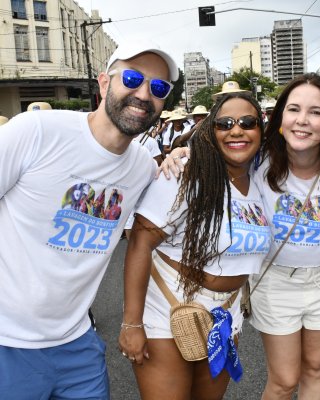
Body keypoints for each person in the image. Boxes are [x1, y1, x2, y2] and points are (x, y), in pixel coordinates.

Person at [0, 39, 178, 399]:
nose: (144, 93)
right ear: (103, 83)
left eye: (158, 87)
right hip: (7, 344)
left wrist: (182, 156)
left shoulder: (143, 168)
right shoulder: (34, 132)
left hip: (77, 344)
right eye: (132, 78)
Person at [163, 73, 320, 400]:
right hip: (276, 282)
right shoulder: (258, 160)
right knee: (284, 380)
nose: (303, 121)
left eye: (316, 112)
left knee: (317, 369)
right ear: (279, 119)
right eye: (294, 110)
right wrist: (180, 154)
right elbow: (219, 148)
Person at [119, 92, 271, 400]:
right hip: (168, 307)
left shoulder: (262, 177)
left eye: (248, 122)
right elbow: (140, 243)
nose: (237, 130)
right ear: (211, 132)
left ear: (260, 130)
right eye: (225, 123)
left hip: (226, 315)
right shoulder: (187, 174)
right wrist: (132, 323)